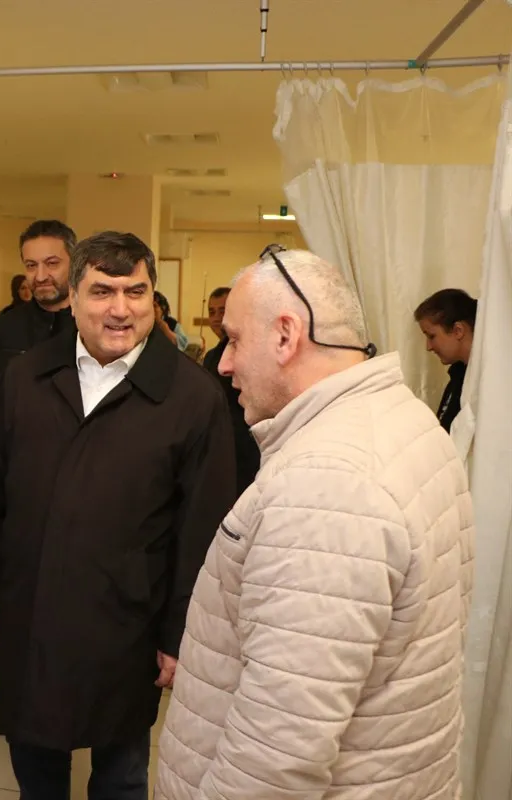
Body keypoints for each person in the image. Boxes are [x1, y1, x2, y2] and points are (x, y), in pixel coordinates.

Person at [155, 247, 475, 800]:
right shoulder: (405, 419)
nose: (224, 363)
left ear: (286, 335)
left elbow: (275, 756)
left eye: (235, 340)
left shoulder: (326, 487)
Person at [0, 231, 236, 800]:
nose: (120, 309)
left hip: (129, 617)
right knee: (35, 759)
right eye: (102, 291)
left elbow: (202, 531)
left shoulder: (192, 396)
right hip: (31, 602)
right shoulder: (26, 377)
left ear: (153, 298)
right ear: (74, 299)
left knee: (122, 769)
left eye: (136, 291)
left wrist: (181, 632)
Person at [0, 219, 77, 491]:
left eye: (52, 263)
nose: (40, 276)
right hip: (15, 480)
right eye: (31, 265)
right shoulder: (2, 329)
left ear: (75, 263)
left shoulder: (94, 329)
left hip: (78, 480)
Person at [201, 286, 260, 497]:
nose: (216, 318)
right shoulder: (211, 356)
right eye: (211, 312)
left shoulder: (250, 352)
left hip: (245, 441)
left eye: (222, 311)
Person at [414, 288, 478, 431]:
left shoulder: (489, 379)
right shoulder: (458, 376)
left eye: (432, 336)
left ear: (458, 331)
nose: (428, 347)